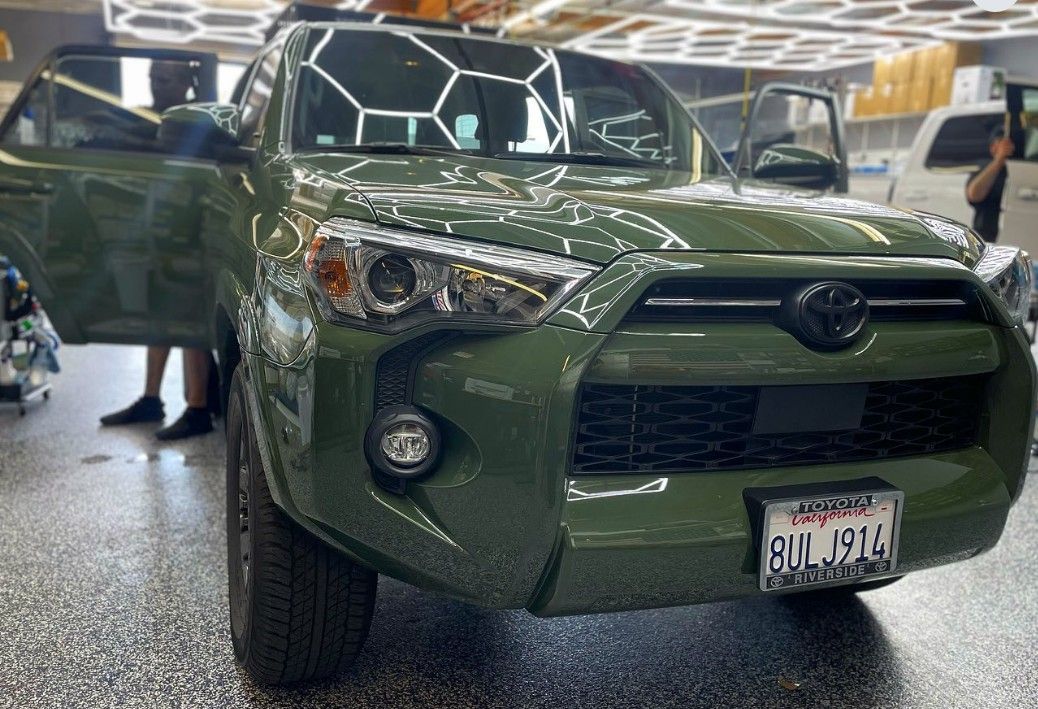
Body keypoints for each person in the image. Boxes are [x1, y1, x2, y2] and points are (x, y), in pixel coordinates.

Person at [100, 61, 215, 441]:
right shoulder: (147, 118)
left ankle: (198, 407)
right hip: (158, 226)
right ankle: (151, 397)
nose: (156, 85)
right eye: (152, 78)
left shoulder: (202, 121)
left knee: (186, 315)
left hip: (193, 228)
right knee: (160, 313)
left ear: (186, 83)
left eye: (164, 79)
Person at [965, 126, 1015, 243]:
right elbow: (974, 194)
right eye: (1002, 142)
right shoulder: (986, 168)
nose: (1009, 146)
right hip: (989, 240)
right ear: (993, 148)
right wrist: (999, 160)